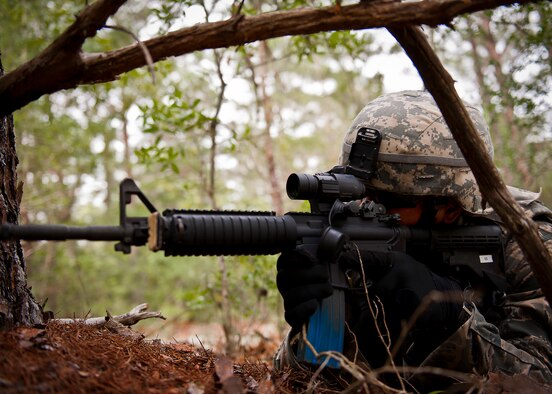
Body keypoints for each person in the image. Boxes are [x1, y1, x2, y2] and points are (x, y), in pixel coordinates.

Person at [274, 90, 552, 389]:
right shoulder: (354, 233)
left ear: (449, 207)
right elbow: (303, 378)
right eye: (357, 191)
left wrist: (452, 321)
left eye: (386, 199)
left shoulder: (528, 239)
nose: (363, 206)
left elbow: (540, 379)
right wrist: (314, 330)